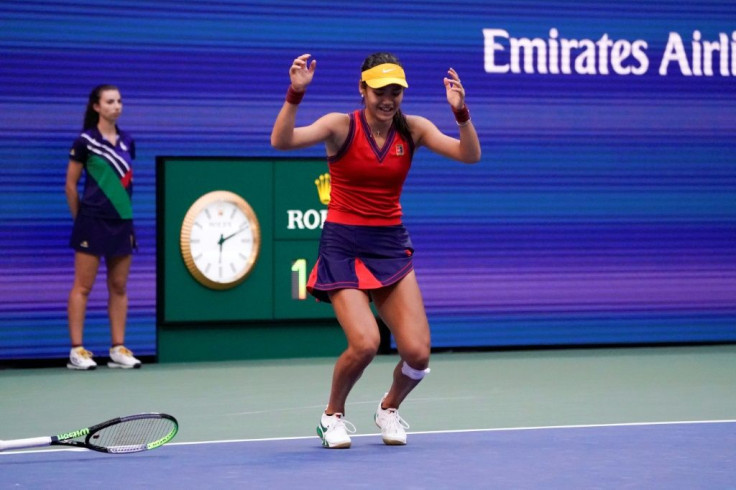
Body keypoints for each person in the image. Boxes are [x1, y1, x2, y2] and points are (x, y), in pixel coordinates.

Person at [271, 53, 481, 448]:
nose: (388, 99)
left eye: (395, 91)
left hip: (389, 246)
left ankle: (388, 408)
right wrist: (295, 93)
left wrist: (461, 112)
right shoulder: (340, 125)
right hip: (343, 245)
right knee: (366, 343)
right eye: (380, 90)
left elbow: (469, 154)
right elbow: (282, 141)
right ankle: (332, 415)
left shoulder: (414, 129)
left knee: (418, 354)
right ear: (362, 89)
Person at [64, 84, 141, 370]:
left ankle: (118, 348)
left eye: (119, 101)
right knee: (83, 286)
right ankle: (77, 350)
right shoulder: (85, 142)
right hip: (91, 222)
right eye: (110, 101)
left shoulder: (127, 141)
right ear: (96, 106)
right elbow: (71, 187)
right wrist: (81, 219)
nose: (116, 106)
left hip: (122, 222)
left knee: (119, 286)